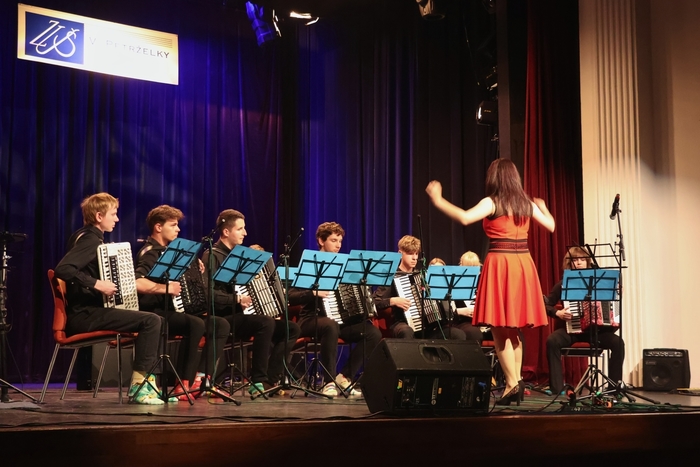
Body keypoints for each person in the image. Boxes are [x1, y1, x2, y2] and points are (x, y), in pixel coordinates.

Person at [426, 158, 555, 405]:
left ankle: (512, 383)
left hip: (501, 263)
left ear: (494, 178)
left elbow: (465, 218)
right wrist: (544, 207)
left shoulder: (493, 202)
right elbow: (550, 225)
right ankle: (515, 382)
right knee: (513, 329)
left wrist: (438, 200)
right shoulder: (525, 204)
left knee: (498, 328)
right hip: (523, 264)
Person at [54, 193, 164, 405]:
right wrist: (97, 284)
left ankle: (149, 384)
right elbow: (63, 269)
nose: (117, 219)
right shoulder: (90, 239)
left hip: (88, 311)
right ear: (99, 216)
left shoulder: (82, 236)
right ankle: (140, 387)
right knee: (151, 320)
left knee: (156, 320)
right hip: (84, 315)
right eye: (113, 214)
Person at [202, 209, 300, 395]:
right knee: (265, 323)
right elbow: (207, 294)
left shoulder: (241, 257)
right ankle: (257, 380)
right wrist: (236, 298)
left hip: (242, 316)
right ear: (226, 232)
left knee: (291, 328)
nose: (245, 233)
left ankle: (271, 379)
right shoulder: (212, 255)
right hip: (223, 317)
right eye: (240, 229)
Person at [134, 205, 225, 401]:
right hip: (154, 312)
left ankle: (202, 379)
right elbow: (137, 282)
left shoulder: (173, 252)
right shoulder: (150, 252)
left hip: (173, 310)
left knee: (220, 324)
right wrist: (165, 289)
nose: (178, 229)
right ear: (158, 227)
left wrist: (194, 266)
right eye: (173, 225)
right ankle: (182, 383)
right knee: (196, 324)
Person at [288, 222, 383, 397]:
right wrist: (313, 293)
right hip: (311, 319)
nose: (338, 245)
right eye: (333, 240)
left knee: (372, 333)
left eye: (340, 241)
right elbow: (290, 295)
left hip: (340, 321)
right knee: (330, 325)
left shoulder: (347, 266)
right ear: (321, 240)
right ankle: (328, 381)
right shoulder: (311, 264)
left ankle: (344, 376)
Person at [544, 246, 625, 395]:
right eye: (575, 260)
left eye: (583, 259)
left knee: (618, 343)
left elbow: (612, 305)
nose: (579, 262)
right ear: (569, 263)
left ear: (588, 262)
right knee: (552, 341)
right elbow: (546, 304)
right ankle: (556, 388)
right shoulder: (562, 284)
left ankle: (614, 388)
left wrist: (617, 293)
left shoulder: (602, 283)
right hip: (573, 331)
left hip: (597, 332)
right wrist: (558, 313)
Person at [372, 235, 467, 340]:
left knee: (457, 334)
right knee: (407, 332)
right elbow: (374, 302)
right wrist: (393, 301)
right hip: (401, 323)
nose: (415, 258)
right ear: (400, 253)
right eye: (410, 253)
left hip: (428, 326)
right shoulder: (392, 276)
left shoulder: (423, 276)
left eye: (416, 253)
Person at [452, 251, 486, 344]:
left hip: (484, 321)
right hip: (463, 322)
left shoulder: (483, 282)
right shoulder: (454, 283)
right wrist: (462, 311)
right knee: (474, 333)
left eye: (475, 268)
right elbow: (449, 310)